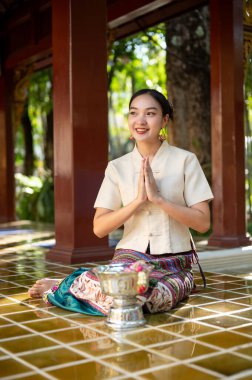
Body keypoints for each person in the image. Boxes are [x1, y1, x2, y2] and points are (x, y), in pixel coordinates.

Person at [28, 88, 213, 315]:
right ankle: (67, 284)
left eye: (150, 113)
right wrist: (137, 202)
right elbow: (99, 227)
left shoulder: (185, 160)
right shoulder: (117, 167)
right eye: (134, 113)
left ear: (164, 120)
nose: (140, 121)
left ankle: (72, 286)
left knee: (150, 298)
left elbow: (203, 223)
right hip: (129, 258)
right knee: (118, 291)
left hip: (173, 264)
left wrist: (159, 199)